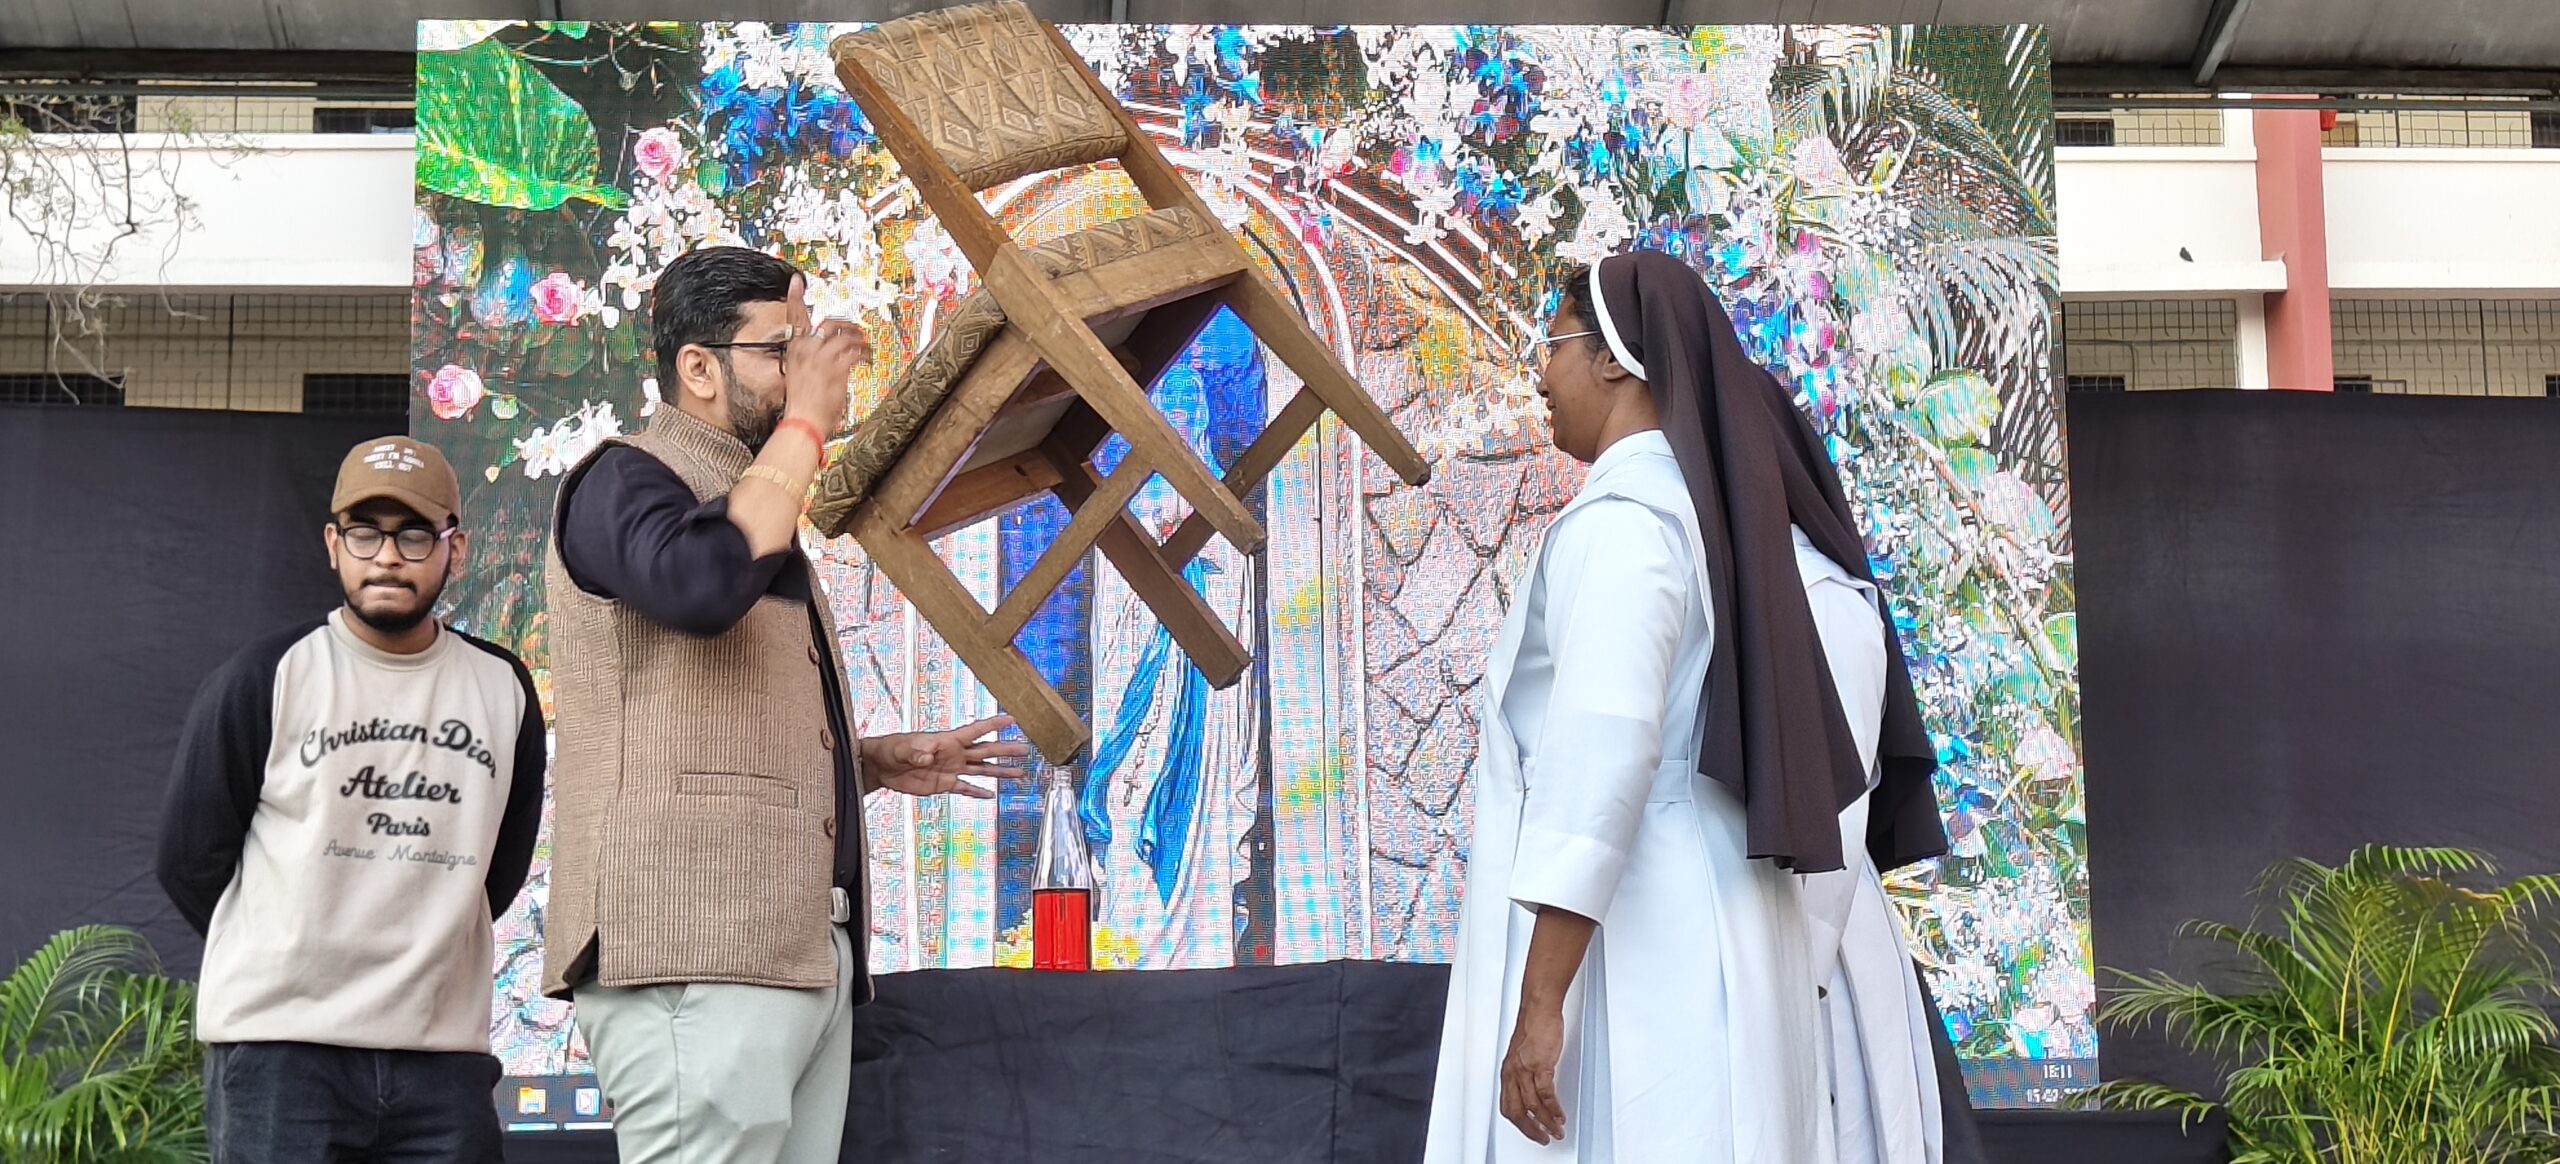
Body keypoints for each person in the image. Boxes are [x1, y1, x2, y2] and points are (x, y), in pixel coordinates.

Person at [1423, 250, 1952, 1163]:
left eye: (1553, 345)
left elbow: (1604, 758)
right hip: (1691, 912)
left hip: (1648, 938)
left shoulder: (1626, 526)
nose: (1539, 375)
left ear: (1614, 360)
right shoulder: (1699, 521)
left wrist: (1542, 1001)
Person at [542, 245, 1029, 1164]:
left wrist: (866, 762)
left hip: (790, 951)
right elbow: (702, 585)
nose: (805, 369)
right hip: (691, 950)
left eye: (808, 347)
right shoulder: (624, 479)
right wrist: (806, 422)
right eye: (782, 351)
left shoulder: (753, 498)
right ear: (699, 369)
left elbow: (707, 720)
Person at [157, 435, 545, 1163]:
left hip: (441, 1059)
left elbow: (501, 867)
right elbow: (189, 859)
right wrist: (289, 950)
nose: (387, 557)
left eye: (414, 535)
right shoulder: (267, 676)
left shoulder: (503, 688)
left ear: (455, 549)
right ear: (334, 545)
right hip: (282, 1054)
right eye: (365, 533)